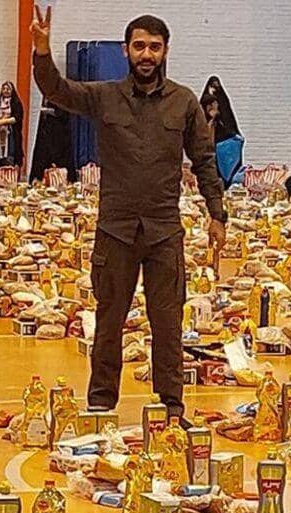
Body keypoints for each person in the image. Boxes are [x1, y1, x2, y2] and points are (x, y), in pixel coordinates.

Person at [32, 7, 226, 424]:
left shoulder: (184, 102)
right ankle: (101, 405)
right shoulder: (104, 97)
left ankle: (171, 408)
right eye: (139, 45)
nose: (146, 54)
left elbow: (205, 160)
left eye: (154, 47)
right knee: (108, 322)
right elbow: (57, 90)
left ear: (165, 51)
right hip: (115, 232)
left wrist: (217, 213)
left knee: (169, 325)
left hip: (163, 234)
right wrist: (42, 51)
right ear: (126, 50)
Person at [29, 98, 73, 183]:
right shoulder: (45, 98)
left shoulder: (61, 97)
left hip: (59, 135)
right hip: (45, 134)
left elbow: (64, 114)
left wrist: (50, 111)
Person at [0, 81, 25, 167]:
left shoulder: (16, 103)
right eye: (4, 89)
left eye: (8, 89)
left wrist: (4, 121)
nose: (6, 91)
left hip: (10, 133)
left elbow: (17, 117)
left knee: (10, 152)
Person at [201, 76, 239, 141]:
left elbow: (228, 116)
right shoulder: (206, 100)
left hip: (223, 136)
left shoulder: (223, 99)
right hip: (209, 134)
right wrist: (211, 96)